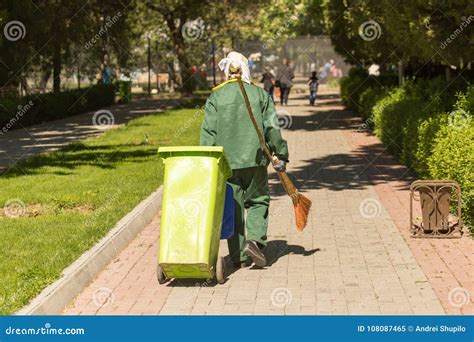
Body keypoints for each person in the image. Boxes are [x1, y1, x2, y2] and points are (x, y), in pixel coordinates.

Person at [200, 51, 289, 269]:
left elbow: (208, 133)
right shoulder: (259, 95)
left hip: (226, 164)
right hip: (255, 160)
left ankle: (238, 257)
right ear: (245, 68)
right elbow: (272, 129)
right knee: (258, 201)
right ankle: (255, 240)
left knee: (234, 206)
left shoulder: (216, 97)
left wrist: (206, 162)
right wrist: (280, 153)